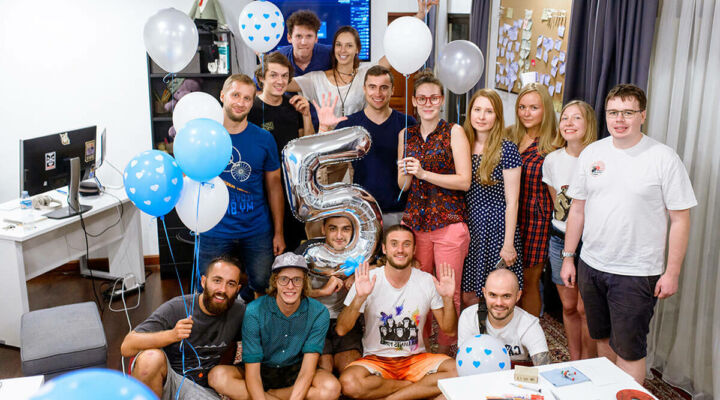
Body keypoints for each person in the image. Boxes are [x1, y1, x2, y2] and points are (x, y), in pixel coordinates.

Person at [561, 84, 696, 384]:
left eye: (627, 113)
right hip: (592, 266)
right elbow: (578, 210)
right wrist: (569, 257)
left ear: (642, 115)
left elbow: (680, 219)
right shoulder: (592, 153)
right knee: (603, 340)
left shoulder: (663, 158)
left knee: (630, 352)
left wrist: (672, 273)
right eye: (613, 113)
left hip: (636, 273)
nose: (619, 120)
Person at [336, 224, 458, 400]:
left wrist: (447, 299)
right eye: (394, 244)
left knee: (456, 371)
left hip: (416, 359)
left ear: (414, 249)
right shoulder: (367, 279)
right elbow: (341, 329)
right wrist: (359, 298)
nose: (400, 250)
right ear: (384, 249)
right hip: (376, 359)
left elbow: (449, 330)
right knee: (349, 383)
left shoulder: (426, 281)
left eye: (406, 244)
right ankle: (413, 390)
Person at [397, 69, 471, 353]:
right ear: (414, 101)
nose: (428, 103)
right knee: (419, 290)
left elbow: (464, 181)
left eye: (434, 98)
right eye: (422, 98)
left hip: (448, 223)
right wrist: (405, 173)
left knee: (448, 291)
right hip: (415, 224)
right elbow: (403, 185)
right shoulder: (406, 134)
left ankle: (444, 351)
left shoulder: (454, 131)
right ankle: (422, 348)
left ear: (441, 100)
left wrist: (424, 173)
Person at [198, 74, 285, 302]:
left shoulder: (264, 139)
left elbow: (274, 186)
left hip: (256, 229)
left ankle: (255, 325)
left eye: (247, 98)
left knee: (263, 286)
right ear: (222, 95)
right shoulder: (204, 136)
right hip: (214, 230)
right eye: (235, 95)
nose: (240, 102)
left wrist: (278, 232)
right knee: (209, 291)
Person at [211, 253, 339, 400]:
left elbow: (307, 371)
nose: (290, 286)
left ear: (304, 282)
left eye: (297, 280)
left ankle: (270, 395)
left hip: (296, 369)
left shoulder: (318, 312)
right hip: (261, 369)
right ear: (275, 281)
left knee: (331, 388)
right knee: (217, 376)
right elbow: (252, 372)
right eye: (284, 279)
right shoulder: (254, 311)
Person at [120, 256, 246, 399]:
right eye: (217, 280)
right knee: (150, 359)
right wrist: (172, 335)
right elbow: (127, 346)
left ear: (238, 289)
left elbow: (238, 348)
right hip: (169, 382)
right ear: (203, 282)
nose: (222, 289)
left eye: (231, 284)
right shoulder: (177, 307)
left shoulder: (239, 312)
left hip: (203, 391)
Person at [316, 65, 417, 226]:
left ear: (392, 90)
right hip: (362, 213)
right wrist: (324, 129)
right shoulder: (350, 125)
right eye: (372, 87)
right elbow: (325, 165)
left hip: (399, 213)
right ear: (364, 89)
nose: (378, 93)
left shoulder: (407, 123)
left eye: (384, 87)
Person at [461, 89, 523, 332]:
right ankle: (473, 342)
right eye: (477, 110)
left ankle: (499, 343)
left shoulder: (507, 150)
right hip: (468, 226)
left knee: (498, 296)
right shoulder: (462, 144)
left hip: (496, 227)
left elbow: (512, 201)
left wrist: (508, 244)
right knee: (468, 295)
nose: (482, 116)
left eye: (489, 111)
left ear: (497, 116)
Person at [542, 100, 598, 360]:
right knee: (568, 305)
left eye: (576, 118)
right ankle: (575, 359)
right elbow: (558, 204)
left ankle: (588, 362)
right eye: (564, 117)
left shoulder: (599, 159)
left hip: (592, 241)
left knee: (586, 309)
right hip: (560, 239)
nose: (569, 123)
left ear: (589, 124)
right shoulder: (552, 160)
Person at [248, 52, 314, 251]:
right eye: (274, 75)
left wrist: (306, 115)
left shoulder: (293, 106)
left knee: (290, 248)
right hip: (260, 191)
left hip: (291, 190)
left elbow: (307, 147)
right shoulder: (251, 109)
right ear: (261, 78)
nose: (280, 81)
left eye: (285, 76)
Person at [506, 83, 557, 317]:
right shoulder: (510, 136)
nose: (526, 113)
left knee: (528, 281)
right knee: (507, 279)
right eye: (522, 107)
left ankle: (529, 332)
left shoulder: (554, 144)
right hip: (508, 215)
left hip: (536, 221)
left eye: (534, 108)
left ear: (545, 109)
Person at [294, 216, 363, 373]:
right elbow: (287, 292)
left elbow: (381, 265)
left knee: (349, 370)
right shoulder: (308, 250)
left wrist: (355, 275)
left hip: (344, 319)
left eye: (345, 229)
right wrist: (322, 291)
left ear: (353, 231)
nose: (339, 235)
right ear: (323, 229)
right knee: (325, 369)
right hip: (312, 319)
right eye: (333, 229)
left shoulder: (360, 250)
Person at [458, 268, 550, 366]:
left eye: (506, 296)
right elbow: (464, 363)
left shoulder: (529, 324)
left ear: (518, 296)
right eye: (493, 295)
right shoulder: (469, 317)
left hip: (516, 373)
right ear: (484, 293)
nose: (499, 303)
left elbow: (544, 368)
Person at [276, 10, 332, 77]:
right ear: (289, 38)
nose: (304, 42)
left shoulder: (330, 54)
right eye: (298, 36)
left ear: (316, 38)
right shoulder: (277, 59)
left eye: (309, 36)